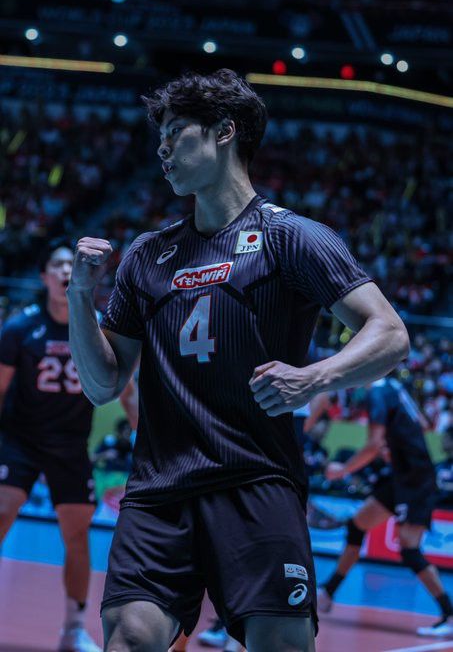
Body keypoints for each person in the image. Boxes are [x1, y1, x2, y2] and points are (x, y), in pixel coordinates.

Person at [66, 69, 409, 652]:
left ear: (225, 133)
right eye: (160, 137)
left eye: (177, 132)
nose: (162, 148)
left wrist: (314, 377)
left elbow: (390, 332)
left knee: (281, 644)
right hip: (159, 490)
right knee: (129, 638)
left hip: (256, 480)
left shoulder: (293, 238)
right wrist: (81, 296)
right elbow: (102, 385)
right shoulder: (148, 255)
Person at [0, 239, 135, 652]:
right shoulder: (20, 327)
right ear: (44, 278)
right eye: (57, 266)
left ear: (84, 276)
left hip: (71, 446)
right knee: (2, 513)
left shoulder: (99, 326)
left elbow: (126, 391)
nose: (64, 272)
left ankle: (73, 628)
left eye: (70, 266)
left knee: (77, 536)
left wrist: (143, 435)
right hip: (18, 440)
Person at [315, 377, 453, 637]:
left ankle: (449, 614)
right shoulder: (396, 387)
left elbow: (373, 444)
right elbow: (421, 425)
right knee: (358, 525)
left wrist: (342, 470)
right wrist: (396, 447)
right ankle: (328, 592)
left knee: (409, 548)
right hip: (403, 476)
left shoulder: (377, 393)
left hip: (415, 481)